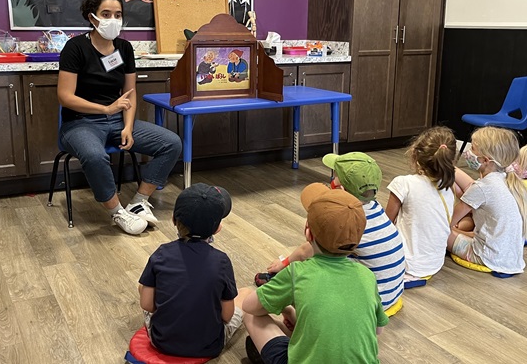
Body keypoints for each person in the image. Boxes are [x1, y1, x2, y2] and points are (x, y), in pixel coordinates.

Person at [57, 0, 182, 235]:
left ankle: (138, 202)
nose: (112, 20)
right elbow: (65, 96)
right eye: (106, 13)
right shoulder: (75, 48)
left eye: (117, 14)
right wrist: (105, 107)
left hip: (116, 121)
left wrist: (127, 125)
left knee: (171, 143)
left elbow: (130, 92)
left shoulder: (124, 48)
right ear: (92, 16)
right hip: (79, 123)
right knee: (94, 156)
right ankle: (117, 212)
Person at [242, 183, 388, 364]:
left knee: (251, 316)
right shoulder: (367, 275)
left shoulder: (297, 272)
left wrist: (286, 308)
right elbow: (378, 330)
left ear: (308, 233)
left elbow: (249, 307)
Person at [256, 152, 404, 313]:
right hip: (392, 293)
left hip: (366, 305)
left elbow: (307, 250)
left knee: (316, 261)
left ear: (340, 189)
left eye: (334, 177)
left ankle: (280, 292)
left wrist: (283, 264)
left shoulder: (343, 218)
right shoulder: (375, 208)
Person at [138, 183, 250, 358]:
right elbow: (227, 316)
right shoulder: (221, 261)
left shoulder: (161, 254)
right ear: (217, 228)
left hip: (161, 341)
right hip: (209, 345)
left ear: (174, 219)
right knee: (245, 294)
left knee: (144, 287)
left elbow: (146, 305)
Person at [447, 127, 526, 275]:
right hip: (510, 257)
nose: (468, 152)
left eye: (473, 148)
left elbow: (448, 222)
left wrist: (448, 229)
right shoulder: (504, 179)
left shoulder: (483, 187)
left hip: (485, 256)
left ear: (485, 160)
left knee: (438, 231)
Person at [385, 126, 457, 287]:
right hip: (434, 264)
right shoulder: (448, 187)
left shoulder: (403, 183)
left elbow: (386, 224)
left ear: (415, 155)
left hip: (405, 264)